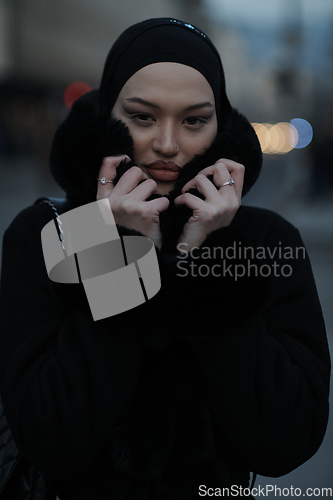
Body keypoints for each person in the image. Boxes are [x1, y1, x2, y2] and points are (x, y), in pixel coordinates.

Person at [0, 18, 330, 500]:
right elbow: (52, 441)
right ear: (107, 119)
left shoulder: (267, 241)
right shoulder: (49, 234)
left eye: (194, 120)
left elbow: (284, 442)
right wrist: (116, 251)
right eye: (142, 117)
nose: (168, 145)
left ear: (220, 127)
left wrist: (207, 256)